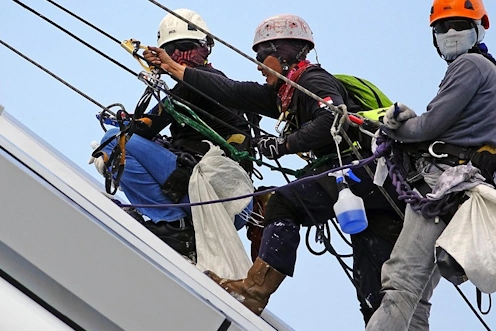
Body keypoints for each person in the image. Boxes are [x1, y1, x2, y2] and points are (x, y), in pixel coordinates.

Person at [144, 14, 415, 322]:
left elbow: (330, 119)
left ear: (284, 54)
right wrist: (174, 68)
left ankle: (254, 291)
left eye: (262, 56)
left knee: (284, 201)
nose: (258, 65)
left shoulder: (313, 80)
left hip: (364, 170)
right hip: (378, 188)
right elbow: (231, 91)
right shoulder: (283, 95)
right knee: (371, 282)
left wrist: (282, 145)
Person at [365, 0, 496, 330]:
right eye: (443, 27)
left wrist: (394, 126)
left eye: (459, 24)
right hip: (461, 188)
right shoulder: (489, 71)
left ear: (478, 29)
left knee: (401, 281)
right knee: (417, 296)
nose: (451, 33)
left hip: (443, 185)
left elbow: (429, 127)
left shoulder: (470, 65)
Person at [92, 9, 252, 261]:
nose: (178, 56)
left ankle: (172, 224)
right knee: (134, 144)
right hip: (231, 202)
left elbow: (146, 126)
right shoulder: (212, 85)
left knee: (114, 141)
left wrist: (128, 125)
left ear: (205, 48)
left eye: (185, 47)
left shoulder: (200, 82)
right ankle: (176, 224)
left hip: (218, 195)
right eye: (171, 50)